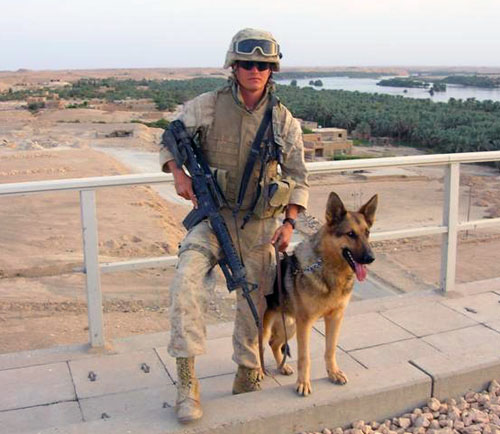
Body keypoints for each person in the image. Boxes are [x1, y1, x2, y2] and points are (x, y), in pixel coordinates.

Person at [159, 28, 309, 423]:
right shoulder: (207, 106)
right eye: (247, 64)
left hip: (260, 227)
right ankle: (187, 383)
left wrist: (290, 223)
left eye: (262, 64)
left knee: (255, 303)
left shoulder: (283, 122)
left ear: (271, 69)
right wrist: (178, 173)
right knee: (185, 283)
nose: (254, 70)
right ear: (234, 66)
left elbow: (300, 177)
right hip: (213, 221)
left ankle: (248, 373)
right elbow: (169, 137)